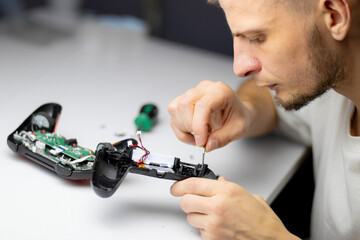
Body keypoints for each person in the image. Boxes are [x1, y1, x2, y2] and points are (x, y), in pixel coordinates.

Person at [167, 0, 360, 239]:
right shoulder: (335, 88)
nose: (239, 67)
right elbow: (266, 98)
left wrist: (271, 237)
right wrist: (246, 111)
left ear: (335, 16)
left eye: (257, 37)